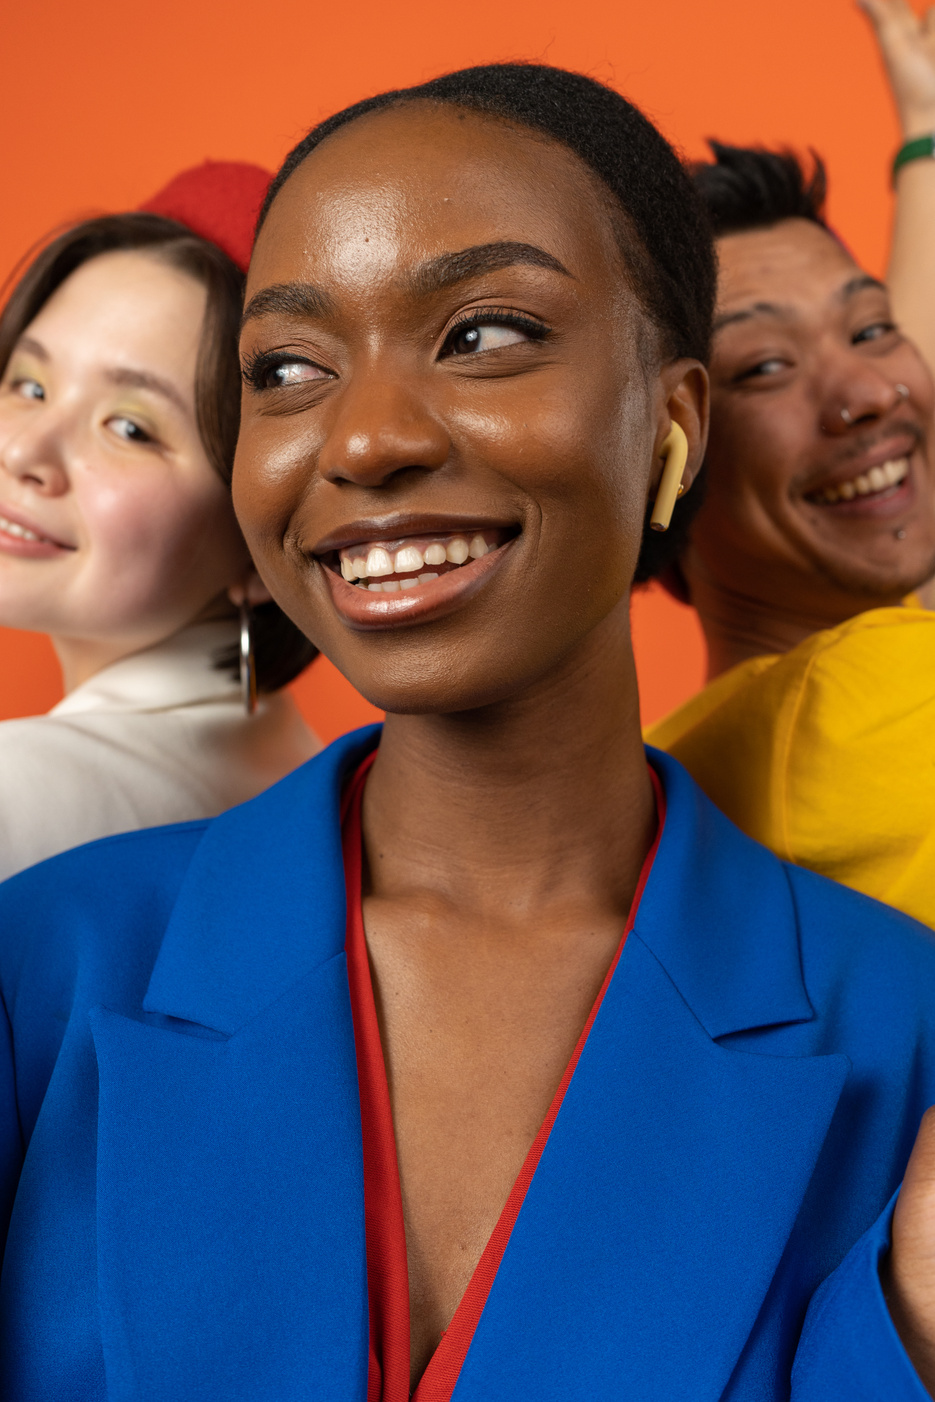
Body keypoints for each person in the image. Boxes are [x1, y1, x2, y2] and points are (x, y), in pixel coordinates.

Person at [3, 61, 935, 1400]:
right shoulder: (39, 969)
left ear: (670, 422)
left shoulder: (899, 1028)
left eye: (483, 335)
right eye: (285, 366)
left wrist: (902, 1332)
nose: (365, 437)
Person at [644, 128, 935, 928]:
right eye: (763, 367)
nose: (870, 394)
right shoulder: (871, 700)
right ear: (662, 463)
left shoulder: (669, 761)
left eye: (872, 329)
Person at [0, 162, 319, 881]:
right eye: (28, 383)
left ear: (262, 538)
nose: (21, 449)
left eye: (130, 428)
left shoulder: (21, 796)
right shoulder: (299, 770)